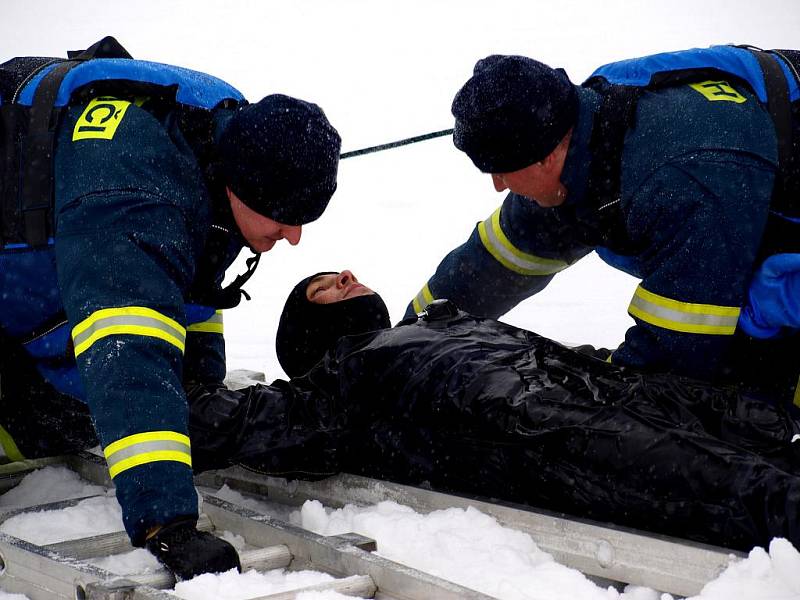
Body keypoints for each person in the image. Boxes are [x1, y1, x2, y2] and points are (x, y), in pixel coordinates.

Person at [0, 37, 341, 579]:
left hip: (57, 252)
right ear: (242, 187)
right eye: (284, 217)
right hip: (26, 261)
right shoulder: (133, 197)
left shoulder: (230, 137)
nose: (294, 237)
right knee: (47, 415)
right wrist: (167, 525)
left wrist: (197, 388)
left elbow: (191, 285)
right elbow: (128, 347)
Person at [187, 270, 800, 552]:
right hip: (541, 433)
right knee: (746, 489)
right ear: (309, 331)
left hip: (589, 389)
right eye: (327, 286)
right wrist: (121, 409)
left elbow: (557, 353)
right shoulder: (337, 382)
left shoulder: (443, 323)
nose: (349, 276)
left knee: (756, 421)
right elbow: (229, 421)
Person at [403, 45, 800, 409]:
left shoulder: (679, 181)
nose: (498, 185)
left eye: (501, 171)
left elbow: (673, 358)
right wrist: (404, 338)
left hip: (768, 222)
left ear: (542, 158)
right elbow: (490, 265)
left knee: (756, 409)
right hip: (728, 203)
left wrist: (564, 403)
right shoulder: (575, 133)